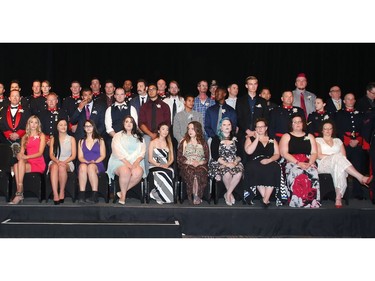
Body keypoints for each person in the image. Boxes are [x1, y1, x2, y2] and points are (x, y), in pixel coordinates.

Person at [316, 120, 372, 208]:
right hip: (323, 164)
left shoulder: (338, 140)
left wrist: (335, 158)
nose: (328, 130)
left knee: (339, 166)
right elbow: (318, 155)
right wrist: (333, 156)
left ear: (333, 130)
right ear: (322, 130)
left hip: (338, 163)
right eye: (325, 129)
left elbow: (344, 156)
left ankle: (338, 198)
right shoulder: (318, 140)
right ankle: (360, 177)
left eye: (330, 129)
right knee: (338, 158)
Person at [279, 115, 321, 208]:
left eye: (299, 122)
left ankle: (312, 202)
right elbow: (284, 153)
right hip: (291, 161)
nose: (297, 124)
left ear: (303, 124)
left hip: (308, 160)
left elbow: (314, 152)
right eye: (295, 122)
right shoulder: (286, 136)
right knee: (297, 171)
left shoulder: (309, 136)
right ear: (291, 124)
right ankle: (297, 201)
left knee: (313, 172)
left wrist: (310, 163)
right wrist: (298, 163)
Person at [243, 118, 286, 207]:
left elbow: (277, 154)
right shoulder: (250, 139)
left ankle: (265, 199)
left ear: (266, 128)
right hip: (255, 161)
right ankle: (265, 198)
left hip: (269, 160)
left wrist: (269, 160)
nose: (260, 129)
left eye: (262, 127)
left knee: (274, 167)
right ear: (255, 128)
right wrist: (257, 139)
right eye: (257, 127)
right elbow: (249, 151)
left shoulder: (272, 139)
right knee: (255, 167)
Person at [106, 115, 146, 205]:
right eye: (126, 121)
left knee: (138, 172)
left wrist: (136, 162)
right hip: (119, 161)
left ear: (134, 124)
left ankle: (121, 192)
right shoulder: (117, 135)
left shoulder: (139, 136)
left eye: (131, 122)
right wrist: (127, 163)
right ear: (123, 124)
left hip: (136, 161)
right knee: (125, 171)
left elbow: (142, 151)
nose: (129, 124)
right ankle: (123, 196)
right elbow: (116, 151)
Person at [10, 115, 46, 204]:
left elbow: (40, 153)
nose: (33, 125)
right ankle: (19, 191)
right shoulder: (25, 137)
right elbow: (22, 152)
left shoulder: (41, 135)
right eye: (31, 122)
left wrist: (26, 157)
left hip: (38, 162)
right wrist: (19, 155)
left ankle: (19, 192)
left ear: (38, 124)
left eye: (35, 122)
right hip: (28, 162)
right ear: (28, 124)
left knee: (18, 165)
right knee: (16, 164)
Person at [208, 118, 243, 206]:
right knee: (226, 173)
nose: (227, 127)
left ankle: (227, 194)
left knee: (238, 173)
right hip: (220, 162)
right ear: (220, 127)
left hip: (234, 161)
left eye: (229, 125)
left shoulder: (236, 138)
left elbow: (241, 154)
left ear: (231, 127)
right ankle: (230, 194)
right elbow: (215, 155)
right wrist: (227, 164)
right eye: (224, 125)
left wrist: (234, 163)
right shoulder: (216, 139)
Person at [236, 75, 269, 162]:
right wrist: (247, 131)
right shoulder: (240, 100)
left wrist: (257, 131)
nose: (253, 86)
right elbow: (238, 118)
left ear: (257, 85)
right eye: (250, 84)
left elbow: (266, 118)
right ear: (246, 86)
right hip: (244, 133)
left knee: (257, 157)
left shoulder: (263, 101)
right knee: (243, 158)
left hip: (259, 133)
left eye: (255, 84)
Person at [177, 121, 209, 205]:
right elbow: (179, 157)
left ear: (197, 130)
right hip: (187, 164)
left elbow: (206, 157)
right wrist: (189, 162)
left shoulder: (203, 142)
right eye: (188, 129)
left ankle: (197, 195)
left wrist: (199, 162)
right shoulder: (184, 142)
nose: (190, 131)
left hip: (200, 164)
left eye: (192, 129)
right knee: (192, 173)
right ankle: (195, 196)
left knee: (199, 172)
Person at [48, 119, 77, 204]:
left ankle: (61, 191)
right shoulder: (53, 139)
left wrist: (63, 162)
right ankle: (55, 193)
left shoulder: (72, 139)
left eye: (65, 125)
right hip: (55, 161)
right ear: (57, 127)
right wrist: (57, 161)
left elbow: (73, 156)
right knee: (54, 167)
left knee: (62, 167)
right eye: (61, 125)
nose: (63, 127)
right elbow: (51, 155)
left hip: (67, 162)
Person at [77, 119, 106, 204]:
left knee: (91, 167)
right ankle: (81, 195)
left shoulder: (100, 140)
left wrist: (94, 162)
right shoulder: (81, 141)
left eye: (90, 126)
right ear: (84, 128)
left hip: (97, 163)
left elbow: (103, 155)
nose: (88, 128)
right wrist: (86, 161)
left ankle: (94, 195)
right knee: (82, 167)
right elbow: (80, 157)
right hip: (85, 162)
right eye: (86, 126)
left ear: (93, 127)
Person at [148, 122, 175, 204]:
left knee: (169, 171)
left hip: (165, 165)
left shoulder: (169, 143)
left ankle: (163, 196)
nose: (165, 131)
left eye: (167, 130)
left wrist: (167, 164)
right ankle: (157, 194)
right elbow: (150, 159)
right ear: (159, 131)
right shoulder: (153, 142)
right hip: (154, 165)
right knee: (162, 171)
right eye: (163, 129)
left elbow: (172, 159)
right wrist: (159, 165)